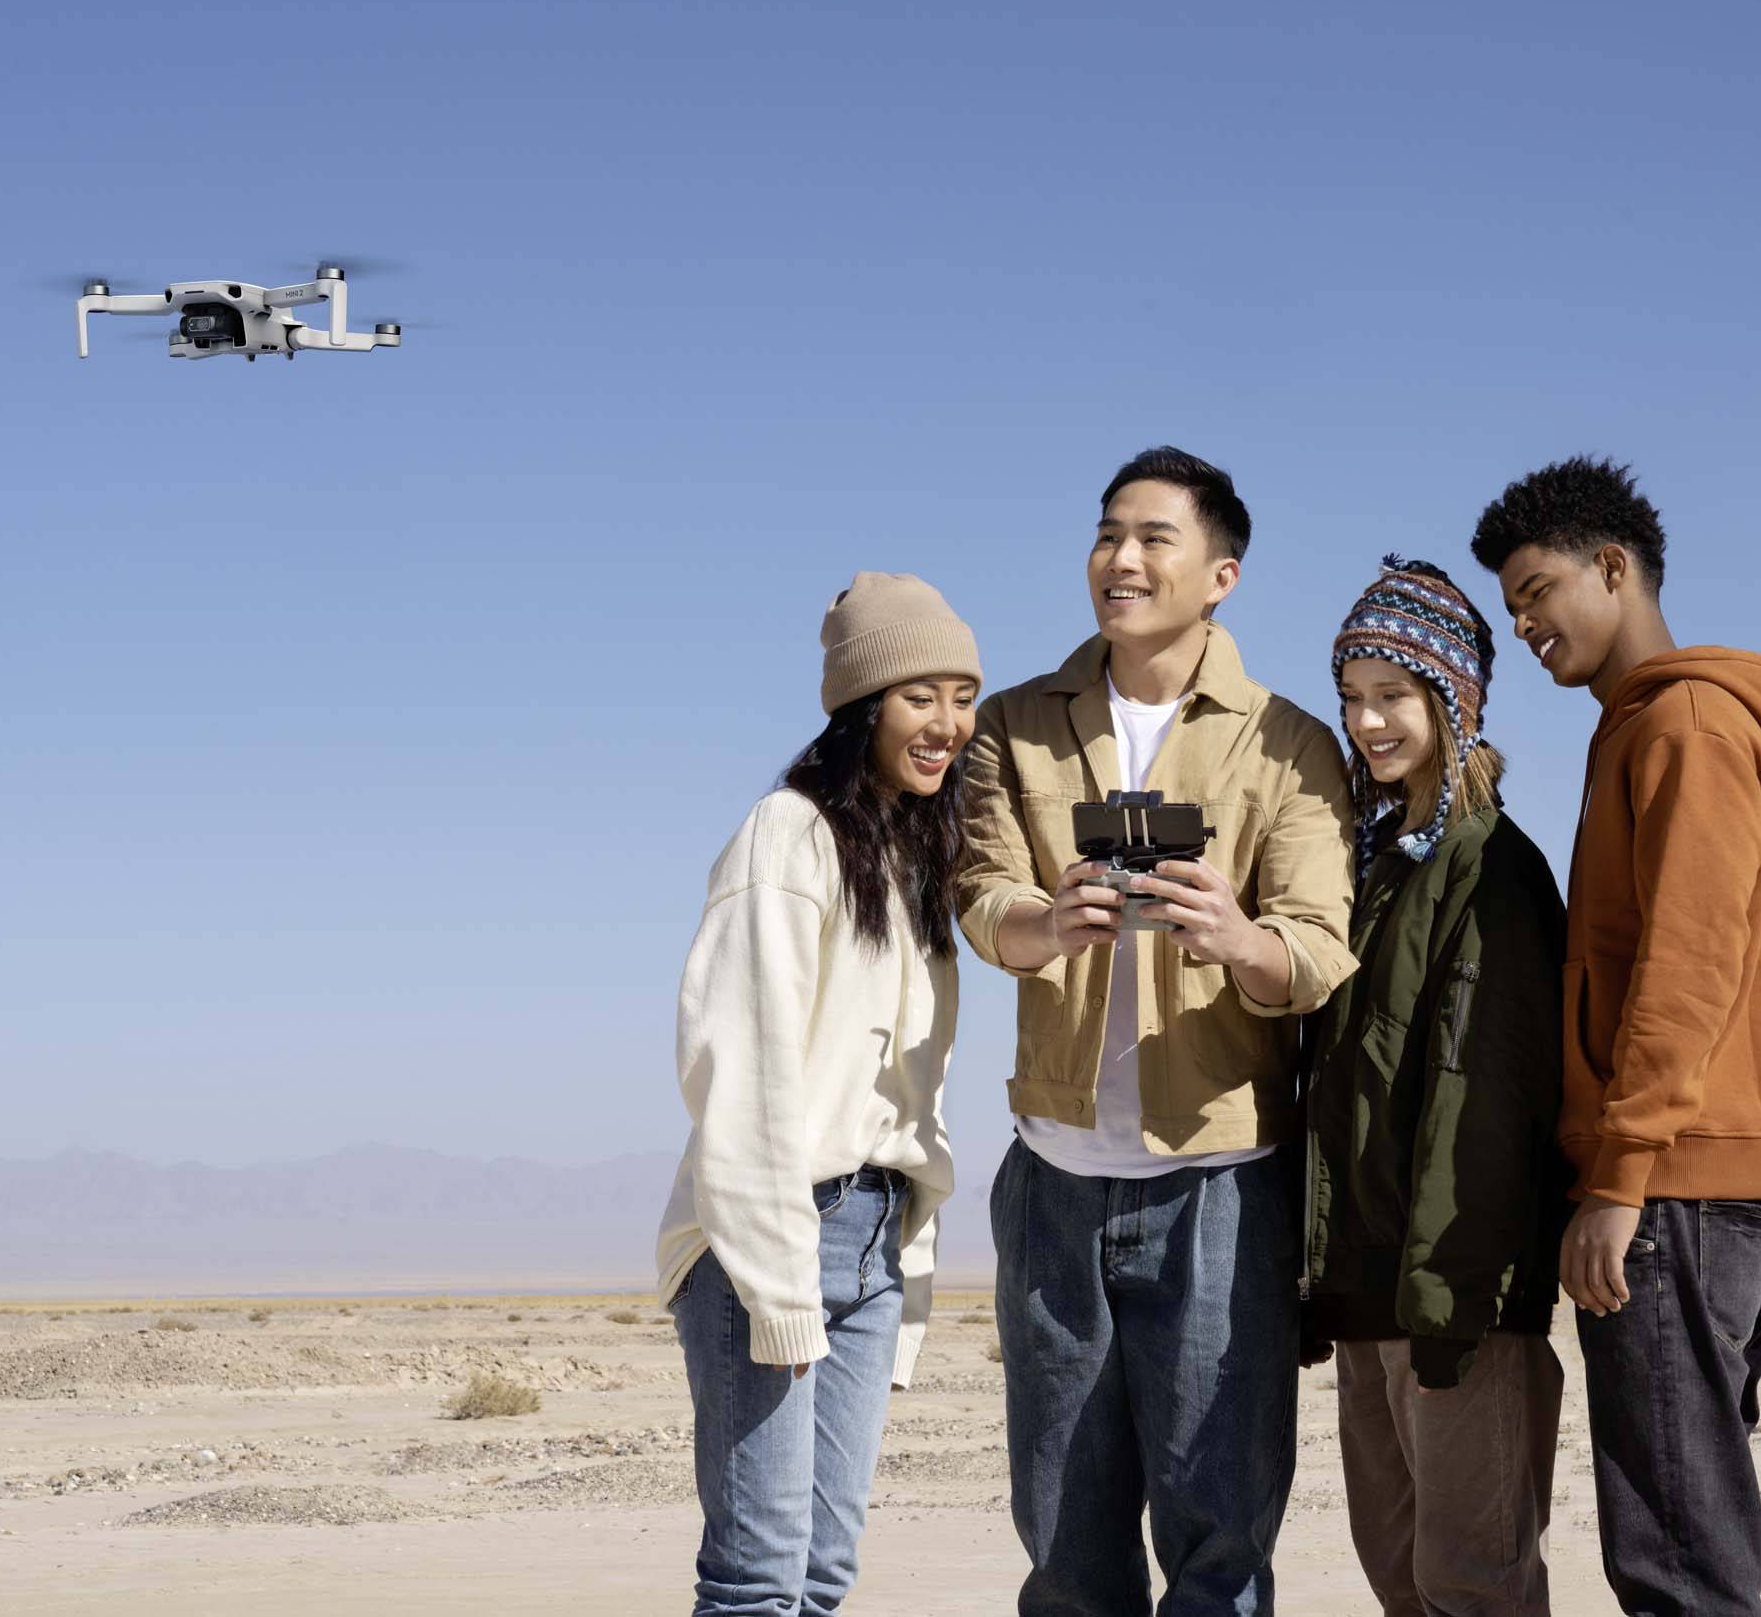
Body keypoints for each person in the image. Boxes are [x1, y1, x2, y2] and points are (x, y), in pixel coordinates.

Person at [958, 445, 1357, 1614]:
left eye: (1152, 539)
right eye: (1105, 535)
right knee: (1068, 1554)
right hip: (1052, 1186)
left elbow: (1320, 948)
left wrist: (1237, 937)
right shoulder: (1016, 726)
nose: (1119, 560)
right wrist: (1042, 922)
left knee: (1218, 1552)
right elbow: (980, 895)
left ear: (1221, 574)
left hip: (1221, 1191)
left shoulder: (1288, 743)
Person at [1472, 457, 1761, 1617]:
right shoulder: (1641, 728)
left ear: (1613, 568)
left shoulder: (1692, 725)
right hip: (1692, 1188)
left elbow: (1688, 967)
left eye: (1537, 591)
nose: (1524, 625)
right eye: (1511, 607)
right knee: (1687, 1538)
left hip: (1677, 1193)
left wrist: (1620, 1180)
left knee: (1677, 1568)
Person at [654, 572, 982, 1617]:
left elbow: (906, 1098)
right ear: (861, 704)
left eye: (962, 696)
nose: (947, 724)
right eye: (918, 695)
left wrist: (908, 1274)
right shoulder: (786, 837)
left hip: (875, 1242)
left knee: (823, 1578)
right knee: (757, 1582)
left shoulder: (917, 853)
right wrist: (782, 1287)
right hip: (772, 1238)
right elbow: (740, 1070)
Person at [1299, 556, 1571, 1615]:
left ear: (1451, 699)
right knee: (1403, 1585)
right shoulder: (1363, 870)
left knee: (1476, 1586)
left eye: (1393, 695)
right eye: (1352, 697)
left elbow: (1487, 1102)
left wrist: (1452, 1306)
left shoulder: (1492, 868)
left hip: (1457, 1307)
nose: (1368, 723)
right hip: (1370, 1299)